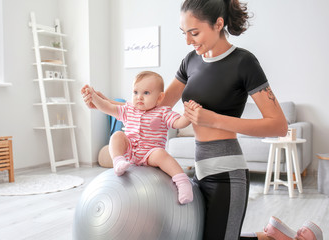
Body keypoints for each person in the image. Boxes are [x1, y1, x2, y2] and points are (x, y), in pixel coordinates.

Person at [162, 0, 322, 239]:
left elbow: (278, 125)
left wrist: (214, 119)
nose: (188, 41)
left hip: (227, 173)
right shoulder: (190, 61)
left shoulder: (243, 62)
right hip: (200, 169)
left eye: (194, 33)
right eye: (184, 33)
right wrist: (111, 106)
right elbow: (160, 104)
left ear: (218, 24)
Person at [81, 71, 193, 205]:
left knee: (161, 154)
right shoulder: (128, 109)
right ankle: (118, 161)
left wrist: (188, 115)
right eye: (135, 92)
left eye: (146, 93)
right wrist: (93, 97)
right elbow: (107, 107)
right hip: (130, 152)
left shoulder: (163, 112)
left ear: (159, 97)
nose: (139, 97)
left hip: (150, 154)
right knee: (117, 136)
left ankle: (182, 182)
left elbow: (179, 123)